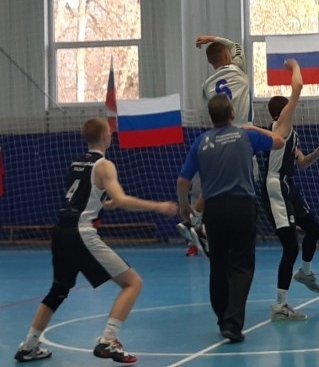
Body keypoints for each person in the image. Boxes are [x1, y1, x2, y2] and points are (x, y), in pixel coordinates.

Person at [14, 117, 178, 363]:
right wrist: (158, 206)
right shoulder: (104, 165)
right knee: (133, 283)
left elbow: (82, 198)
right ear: (104, 136)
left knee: (58, 290)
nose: (112, 135)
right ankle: (108, 341)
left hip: (61, 231)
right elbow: (121, 200)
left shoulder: (76, 163)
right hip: (82, 233)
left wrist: (104, 204)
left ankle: (28, 345)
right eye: (110, 132)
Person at [176, 94, 283, 343]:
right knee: (242, 266)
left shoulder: (201, 142)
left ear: (211, 117)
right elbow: (279, 141)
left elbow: (182, 180)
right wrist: (255, 128)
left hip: (214, 211)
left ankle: (222, 318)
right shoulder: (245, 136)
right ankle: (233, 323)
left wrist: (185, 206)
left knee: (218, 265)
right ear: (232, 114)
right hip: (242, 207)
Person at [262, 59, 319, 322]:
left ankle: (304, 272)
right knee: (291, 247)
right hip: (275, 186)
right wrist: (294, 66)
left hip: (288, 186)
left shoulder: (290, 134)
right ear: (283, 112)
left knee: (314, 229)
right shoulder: (280, 126)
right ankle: (280, 305)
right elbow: (299, 86)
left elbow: (302, 163)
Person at [175, 35, 252, 257]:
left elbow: (211, 110)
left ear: (210, 63)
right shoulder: (238, 70)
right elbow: (234, 44)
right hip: (242, 135)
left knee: (215, 183)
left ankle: (196, 222)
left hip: (217, 136)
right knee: (244, 185)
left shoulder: (207, 85)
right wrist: (211, 38)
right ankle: (208, 226)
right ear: (227, 56)